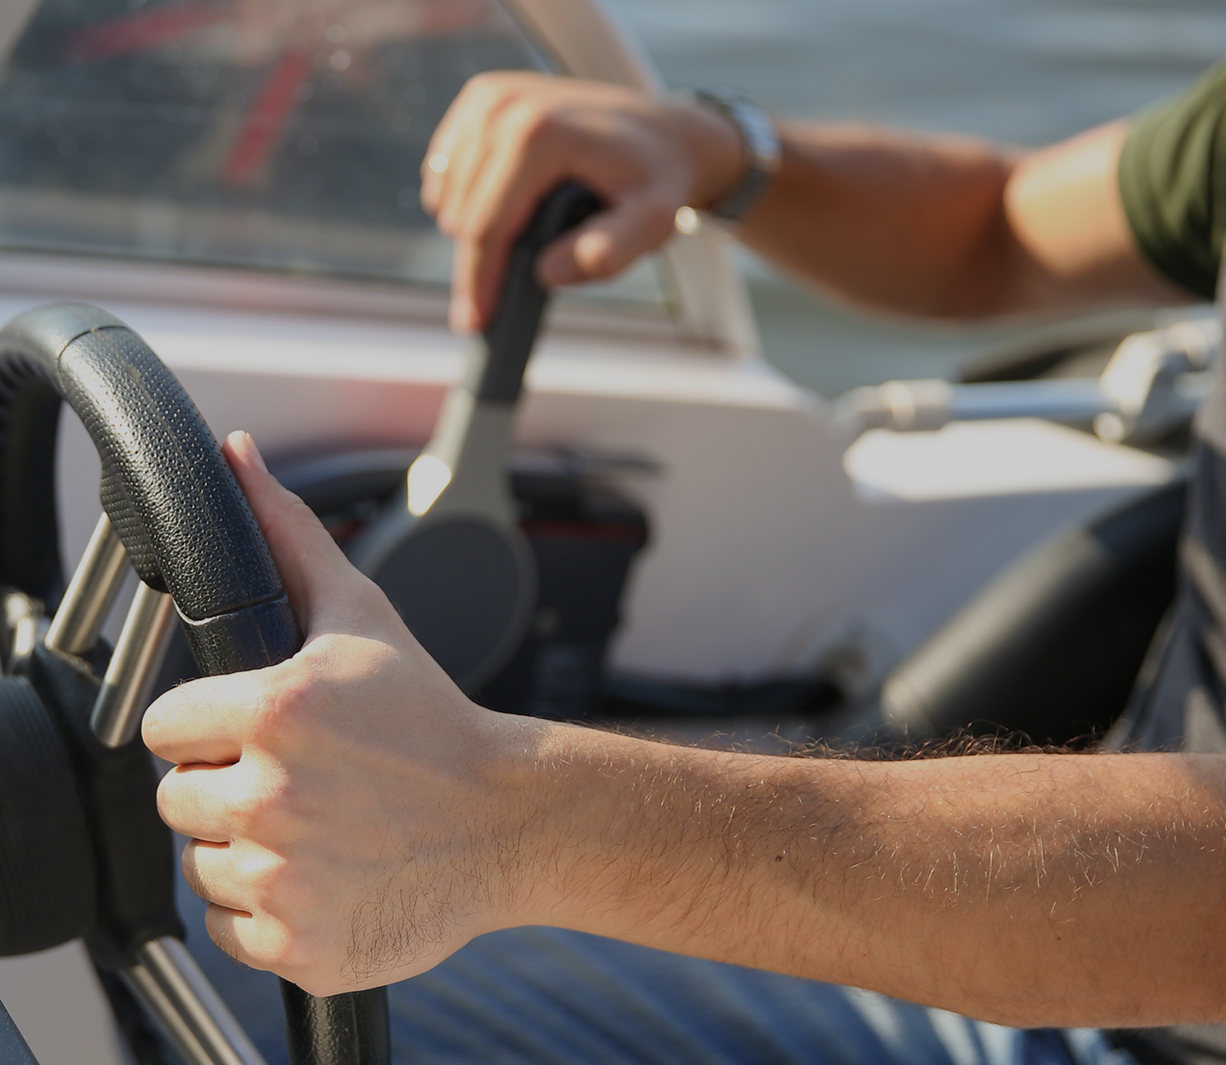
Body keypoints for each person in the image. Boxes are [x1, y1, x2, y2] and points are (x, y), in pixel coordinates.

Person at [147, 63, 1226, 1064]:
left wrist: (508, 815)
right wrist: (719, 154)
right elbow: (1001, 230)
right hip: (1084, 1005)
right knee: (224, 965)